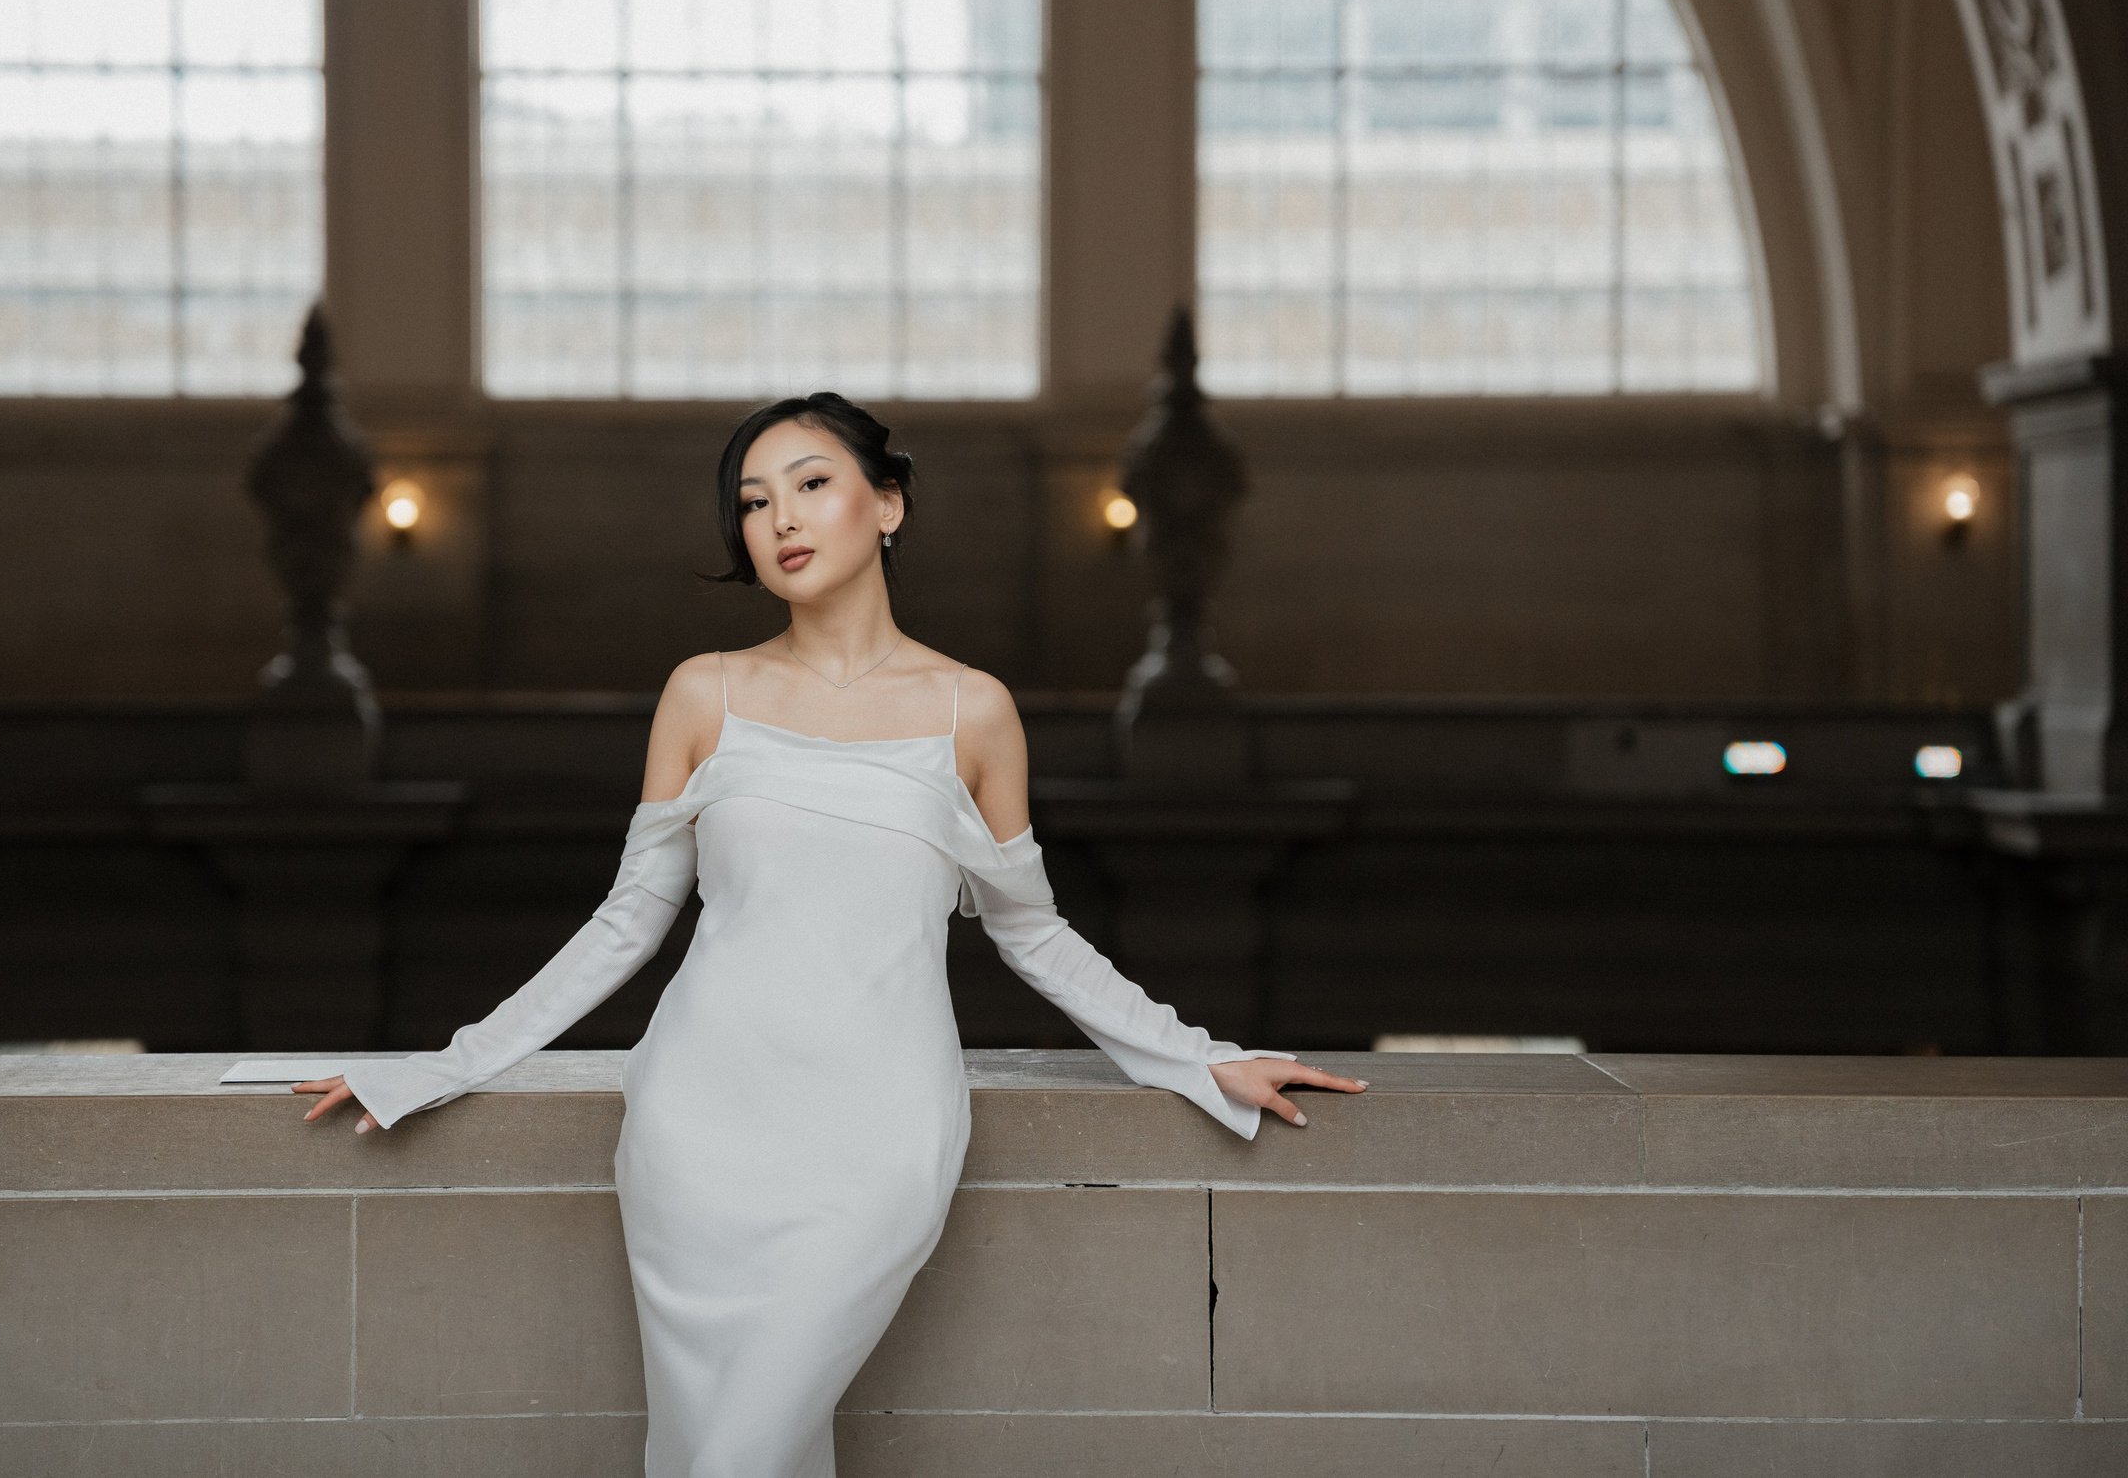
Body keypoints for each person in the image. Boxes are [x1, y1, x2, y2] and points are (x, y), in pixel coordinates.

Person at [294, 391, 1366, 1477]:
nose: (780, 520)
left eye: (811, 484)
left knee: (735, 1460)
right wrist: (441, 1066)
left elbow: (1035, 936)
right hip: (698, 1135)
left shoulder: (973, 712)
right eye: (753, 503)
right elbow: (624, 926)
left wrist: (1201, 1060)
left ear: (888, 505)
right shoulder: (704, 693)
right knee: (733, 1455)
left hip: (877, 1143)